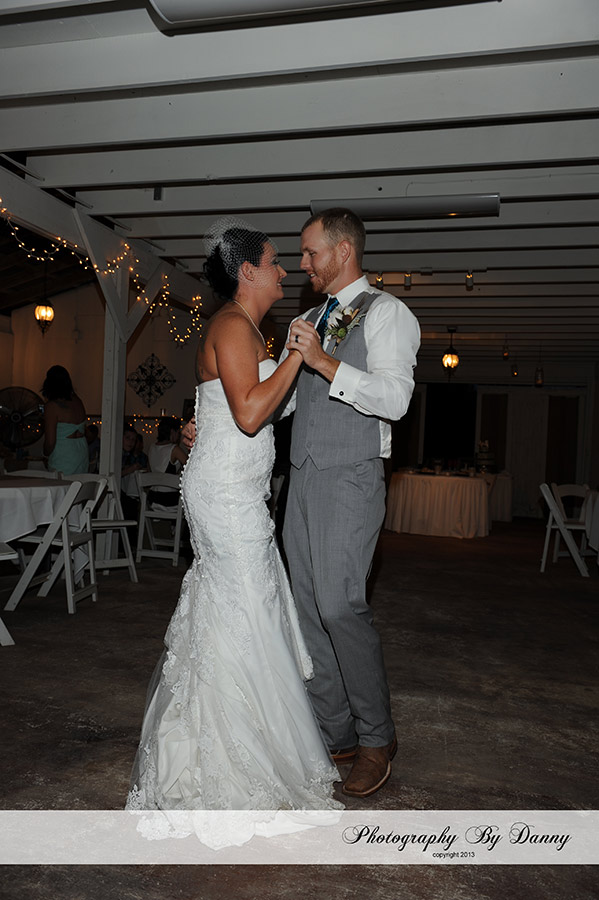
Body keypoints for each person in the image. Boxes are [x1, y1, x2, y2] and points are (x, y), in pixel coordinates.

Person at [126, 218, 341, 816]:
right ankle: (232, 756)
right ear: (248, 271)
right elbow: (249, 413)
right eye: (274, 262)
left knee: (238, 608)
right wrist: (296, 357)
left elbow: (228, 408)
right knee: (245, 607)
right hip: (225, 496)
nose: (285, 271)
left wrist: (197, 426)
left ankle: (237, 736)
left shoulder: (244, 328)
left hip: (235, 490)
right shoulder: (232, 325)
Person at [283, 208, 420, 799]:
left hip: (350, 477)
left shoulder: (388, 313)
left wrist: (322, 360)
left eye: (311, 252)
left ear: (343, 251)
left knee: (341, 607)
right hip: (300, 478)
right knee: (307, 611)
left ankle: (376, 738)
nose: (303, 264)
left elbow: (395, 399)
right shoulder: (311, 318)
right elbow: (288, 401)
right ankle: (334, 730)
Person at [41, 365, 89, 475]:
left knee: (60, 485)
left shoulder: (52, 406)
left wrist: (45, 454)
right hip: (81, 451)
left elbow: (50, 442)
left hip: (64, 454)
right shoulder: (78, 401)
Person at [147, 416, 187, 507]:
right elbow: (191, 468)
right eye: (178, 432)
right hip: (168, 500)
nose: (179, 436)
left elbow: (149, 471)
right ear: (172, 432)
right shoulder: (174, 449)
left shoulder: (151, 447)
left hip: (152, 498)